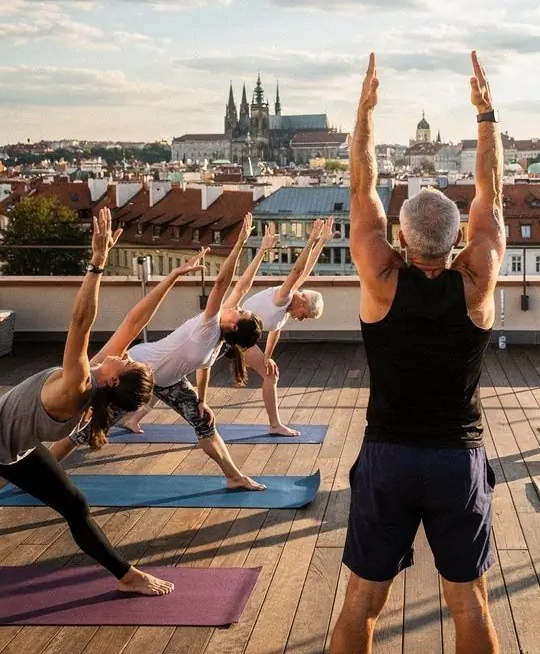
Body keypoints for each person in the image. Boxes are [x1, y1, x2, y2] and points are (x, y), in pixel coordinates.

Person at [307, 52, 515, 654]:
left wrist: (363, 113)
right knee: (470, 604)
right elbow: (493, 191)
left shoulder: (378, 273)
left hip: (390, 458)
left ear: (401, 238)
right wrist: (486, 116)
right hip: (456, 460)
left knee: (362, 602)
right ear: (456, 241)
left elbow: (358, 183)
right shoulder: (480, 277)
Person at [0, 208, 171, 595]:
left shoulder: (77, 384)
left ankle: (125, 575)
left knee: (73, 504)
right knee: (76, 504)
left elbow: (80, 323)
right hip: (13, 450)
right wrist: (173, 278)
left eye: (126, 362)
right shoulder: (96, 384)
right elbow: (132, 325)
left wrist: (96, 264)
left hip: (8, 447)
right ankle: (128, 575)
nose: (124, 354)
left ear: (113, 379)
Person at [55, 214, 266, 491]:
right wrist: (202, 398)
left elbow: (222, 283)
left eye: (239, 311)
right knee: (86, 431)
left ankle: (234, 476)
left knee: (204, 424)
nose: (235, 307)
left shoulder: (211, 330)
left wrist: (239, 244)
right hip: (135, 372)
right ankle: (39, 468)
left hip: (163, 379)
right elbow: (204, 365)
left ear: (234, 325)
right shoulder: (218, 339)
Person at [210, 217, 332, 435]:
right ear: (303, 301)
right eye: (306, 315)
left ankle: (275, 424)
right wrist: (311, 239)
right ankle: (275, 425)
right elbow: (297, 271)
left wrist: (321, 241)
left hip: (239, 336)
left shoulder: (287, 308)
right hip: (231, 330)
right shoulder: (283, 297)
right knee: (185, 366)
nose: (303, 319)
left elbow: (275, 330)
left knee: (269, 373)